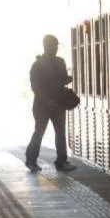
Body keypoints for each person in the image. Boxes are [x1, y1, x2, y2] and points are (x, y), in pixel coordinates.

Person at [25, 35, 76, 172]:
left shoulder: (60, 62)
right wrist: (48, 101)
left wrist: (67, 79)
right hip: (43, 105)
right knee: (39, 132)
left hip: (57, 103)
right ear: (47, 46)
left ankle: (61, 161)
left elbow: (61, 80)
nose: (56, 48)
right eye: (54, 45)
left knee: (60, 133)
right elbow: (35, 87)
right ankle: (31, 160)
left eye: (57, 45)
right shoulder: (37, 65)